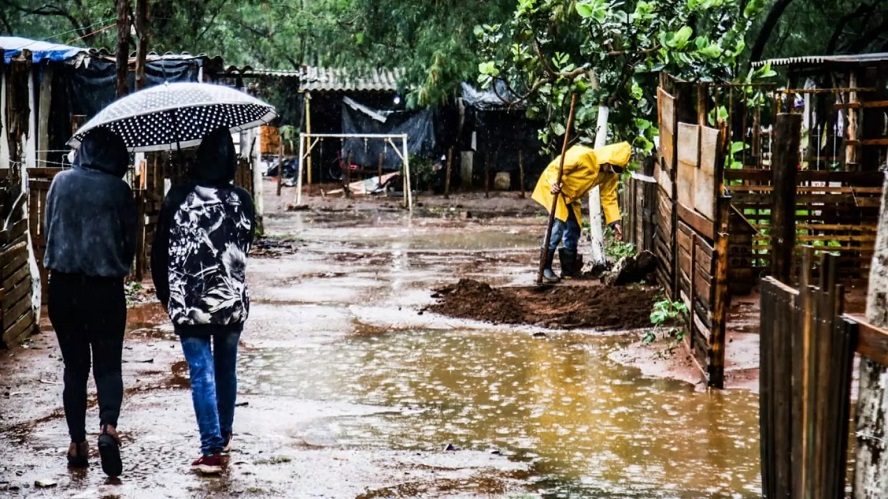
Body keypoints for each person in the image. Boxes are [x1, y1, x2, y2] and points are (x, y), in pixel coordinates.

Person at [151, 127, 255, 475]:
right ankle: (223, 437)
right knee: (225, 370)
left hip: (189, 303)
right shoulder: (243, 199)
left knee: (201, 373)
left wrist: (169, 298)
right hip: (230, 303)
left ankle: (210, 449)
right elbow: (246, 245)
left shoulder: (178, 197)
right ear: (230, 159)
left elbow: (159, 255)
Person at [44, 128, 137, 477]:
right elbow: (131, 243)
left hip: (63, 288)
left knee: (74, 368)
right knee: (108, 366)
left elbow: (47, 231)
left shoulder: (59, 183)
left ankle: (76, 444)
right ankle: (108, 429)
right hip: (105, 289)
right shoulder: (119, 190)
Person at [531, 142, 631, 283]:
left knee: (574, 228)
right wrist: (554, 182)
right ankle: (545, 267)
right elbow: (555, 168)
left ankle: (568, 270)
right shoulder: (582, 155)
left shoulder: (609, 175)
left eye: (617, 170)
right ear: (607, 158)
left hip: (571, 196)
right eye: (613, 166)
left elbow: (609, 197)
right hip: (556, 189)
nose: (612, 171)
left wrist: (615, 222)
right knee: (558, 225)